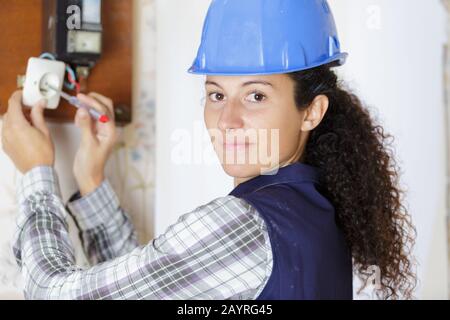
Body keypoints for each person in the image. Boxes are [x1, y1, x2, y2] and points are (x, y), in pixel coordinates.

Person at [1, 0, 416, 300]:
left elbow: (49, 293)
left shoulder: (242, 224)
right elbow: (159, 284)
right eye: (216, 94)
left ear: (312, 111)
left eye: (255, 96)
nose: (228, 120)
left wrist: (36, 173)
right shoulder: (318, 213)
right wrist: (91, 183)